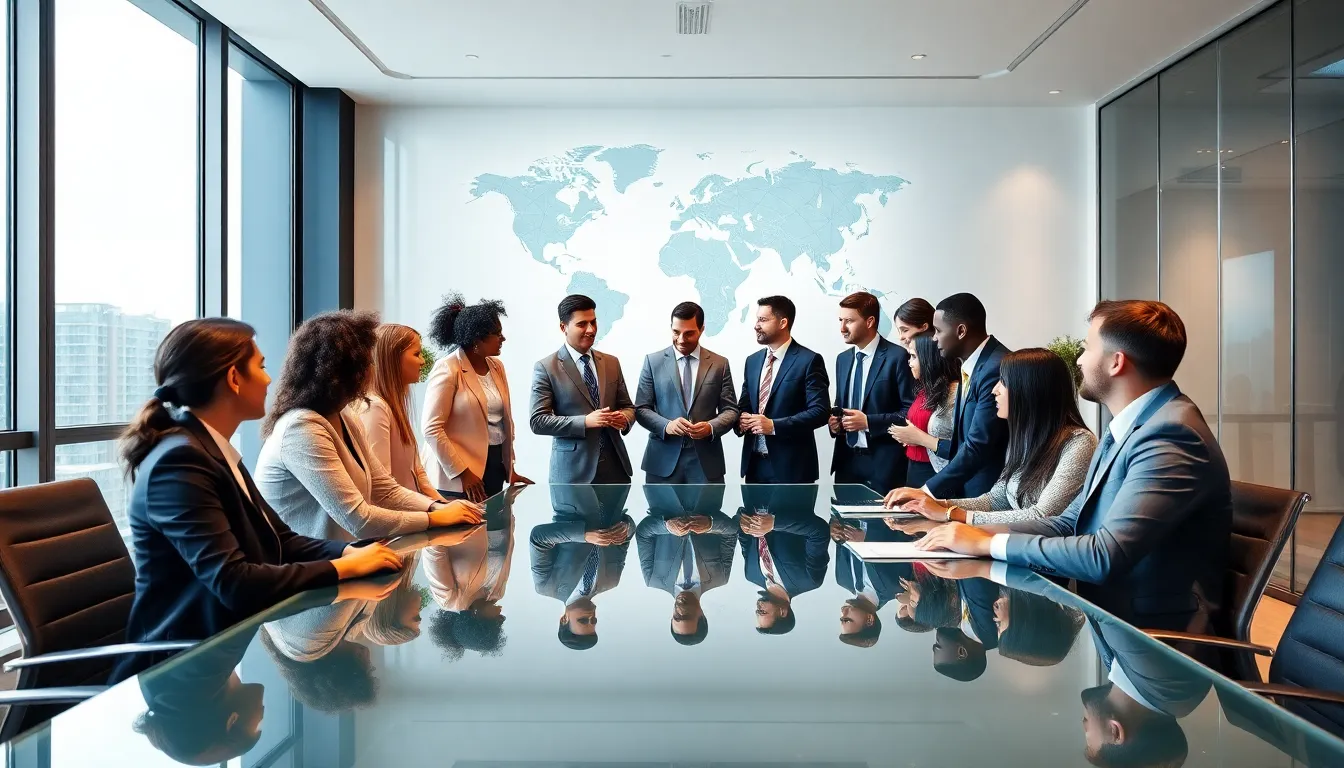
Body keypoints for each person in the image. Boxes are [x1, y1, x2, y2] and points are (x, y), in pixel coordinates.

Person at [913, 300, 1234, 634]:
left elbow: (1104, 555)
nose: (1078, 360)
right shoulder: (1131, 428)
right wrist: (963, 529)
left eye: (1086, 348)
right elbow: (1067, 522)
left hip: (1158, 641)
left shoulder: (1170, 436)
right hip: (1112, 623)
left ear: (1116, 362)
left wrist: (984, 542)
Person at [115, 318, 406, 681]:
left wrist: (349, 553)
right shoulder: (180, 462)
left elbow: (280, 540)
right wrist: (345, 569)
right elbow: (236, 583)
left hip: (217, 656)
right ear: (234, 379)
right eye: (261, 367)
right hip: (178, 671)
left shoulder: (212, 451)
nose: (270, 379)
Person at [256, 311, 483, 542]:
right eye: (368, 361)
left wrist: (437, 507)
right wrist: (434, 519)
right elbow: (359, 520)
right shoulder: (301, 427)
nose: (373, 368)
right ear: (348, 369)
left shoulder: (344, 415)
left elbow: (384, 489)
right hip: (305, 569)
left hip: (337, 560)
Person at [888, 348, 1097, 525]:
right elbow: (995, 500)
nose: (994, 390)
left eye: (1003, 382)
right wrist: (931, 503)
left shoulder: (1078, 443)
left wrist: (950, 514)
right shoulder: (1025, 439)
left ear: (1029, 390)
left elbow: (1042, 517)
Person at [421, 293, 531, 501]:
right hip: (456, 476)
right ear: (476, 339)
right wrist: (462, 472)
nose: (503, 338)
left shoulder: (496, 366)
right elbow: (431, 429)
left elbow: (501, 425)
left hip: (494, 467)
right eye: (497, 334)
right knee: (465, 532)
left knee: (495, 531)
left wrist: (510, 468)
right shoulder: (448, 368)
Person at [529, 294, 636, 484]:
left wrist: (624, 418)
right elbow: (538, 421)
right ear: (564, 327)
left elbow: (628, 406)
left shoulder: (611, 362)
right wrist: (585, 421)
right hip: (572, 473)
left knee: (618, 515)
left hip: (615, 469)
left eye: (593, 322)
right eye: (582, 324)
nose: (591, 329)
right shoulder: (546, 367)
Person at [917, 293, 1011, 499]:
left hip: (987, 493)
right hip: (969, 488)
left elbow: (979, 444)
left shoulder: (994, 368)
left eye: (938, 331)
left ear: (961, 331)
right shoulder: (973, 363)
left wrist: (927, 491)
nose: (934, 338)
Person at [634, 301, 739, 483]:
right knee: (662, 512)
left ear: (702, 329)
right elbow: (641, 409)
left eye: (689, 333)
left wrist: (711, 427)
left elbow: (731, 410)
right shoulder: (653, 362)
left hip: (706, 464)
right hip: (661, 463)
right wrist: (666, 426)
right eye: (676, 332)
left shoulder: (720, 364)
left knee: (708, 512)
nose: (681, 339)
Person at [829, 291, 917, 494]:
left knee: (884, 526)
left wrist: (868, 422)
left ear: (870, 321)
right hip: (846, 465)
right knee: (844, 525)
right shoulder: (842, 359)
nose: (842, 328)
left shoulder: (898, 357)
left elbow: (910, 412)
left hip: (885, 466)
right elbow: (840, 405)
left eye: (849, 321)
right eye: (840, 320)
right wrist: (836, 424)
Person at [736, 296, 831, 483]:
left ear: (783, 322)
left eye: (763, 320)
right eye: (757, 319)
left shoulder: (809, 360)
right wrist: (740, 420)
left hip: (792, 470)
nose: (756, 325)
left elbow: (820, 411)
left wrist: (774, 426)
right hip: (754, 467)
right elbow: (744, 405)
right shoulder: (752, 361)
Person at [530, 485, 634, 650]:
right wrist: (627, 527)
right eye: (594, 621)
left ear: (564, 619)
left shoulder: (546, 586)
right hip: (614, 489)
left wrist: (584, 535)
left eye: (583, 620)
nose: (591, 617)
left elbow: (538, 538)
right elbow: (626, 540)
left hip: (573, 490)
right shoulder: (612, 581)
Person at [353, 323, 444, 500]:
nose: (423, 361)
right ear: (393, 358)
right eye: (416, 354)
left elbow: (417, 471)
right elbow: (381, 487)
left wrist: (442, 503)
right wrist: (433, 510)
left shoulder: (394, 406)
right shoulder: (375, 408)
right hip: (400, 520)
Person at [636, 485, 735, 646]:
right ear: (702, 615)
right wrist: (710, 525)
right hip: (706, 490)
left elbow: (643, 533)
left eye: (677, 617)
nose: (680, 611)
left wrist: (666, 526)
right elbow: (731, 532)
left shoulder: (653, 579)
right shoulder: (720, 577)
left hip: (662, 491)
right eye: (686, 616)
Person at [737, 485, 829, 635]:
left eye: (757, 611)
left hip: (753, 489)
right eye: (762, 612)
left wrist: (742, 522)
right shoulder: (809, 580)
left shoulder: (751, 575)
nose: (757, 607)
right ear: (782, 612)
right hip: (791, 485)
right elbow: (819, 532)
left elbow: (744, 537)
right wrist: (775, 523)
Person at [889, 331, 959, 488]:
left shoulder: (953, 392)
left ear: (928, 358)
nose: (909, 363)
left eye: (913, 356)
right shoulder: (923, 390)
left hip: (936, 472)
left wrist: (917, 437)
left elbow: (962, 447)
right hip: (913, 467)